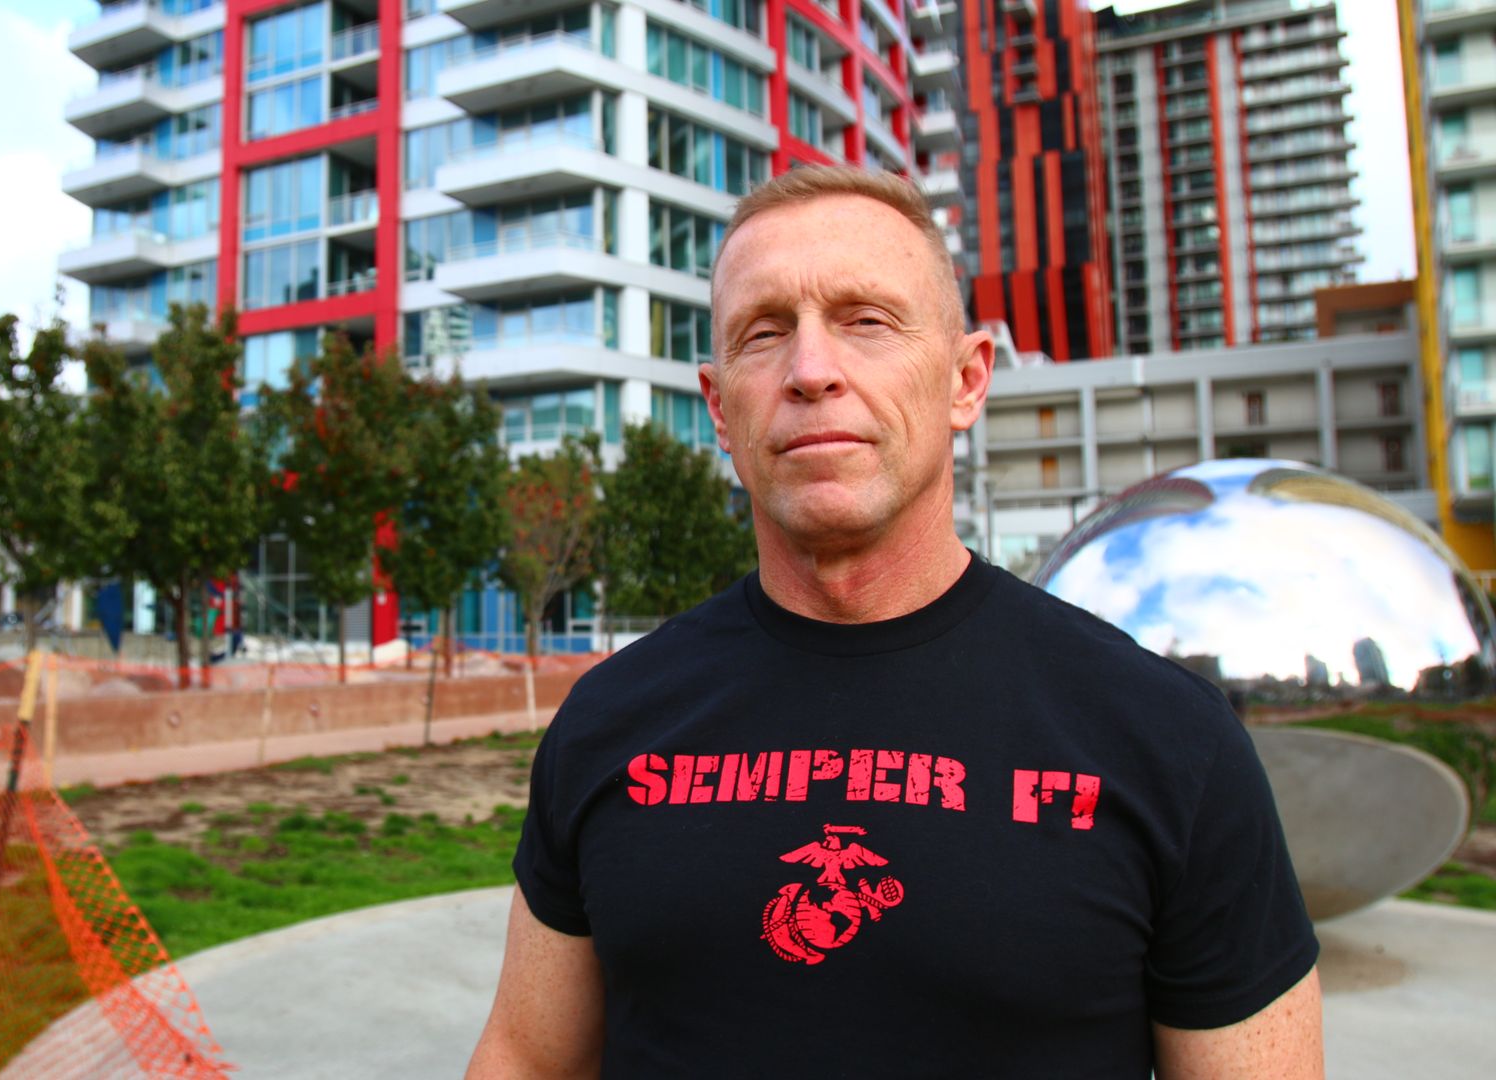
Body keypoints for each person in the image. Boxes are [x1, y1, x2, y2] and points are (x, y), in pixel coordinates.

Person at [468, 168, 1321, 1078]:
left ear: (966, 380)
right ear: (720, 408)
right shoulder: (609, 721)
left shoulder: (1167, 741)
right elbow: (526, 1056)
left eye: (866, 321)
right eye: (764, 334)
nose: (810, 370)